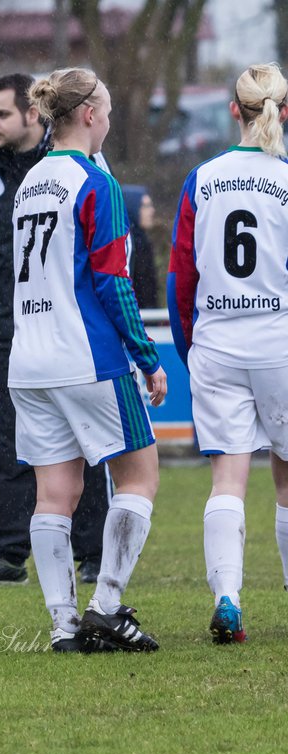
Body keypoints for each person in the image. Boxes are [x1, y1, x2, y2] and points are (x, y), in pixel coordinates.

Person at [10, 69, 166, 653]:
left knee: (54, 495)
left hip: (29, 361)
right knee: (140, 476)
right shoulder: (97, 185)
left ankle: (63, 626)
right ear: (91, 117)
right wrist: (146, 357)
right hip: (87, 358)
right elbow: (113, 282)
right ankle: (104, 605)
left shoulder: (30, 182)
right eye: (107, 110)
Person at [0, 73, 112, 587]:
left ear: (33, 115)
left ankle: (94, 553)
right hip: (8, 332)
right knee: (11, 444)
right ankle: (6, 553)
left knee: (87, 446)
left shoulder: (72, 165)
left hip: (67, 331)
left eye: (1, 114)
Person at [167, 62, 288, 645]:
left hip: (216, 341)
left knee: (227, 481)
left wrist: (189, 346)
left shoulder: (202, 178)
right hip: (278, 341)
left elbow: (180, 275)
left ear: (233, 111)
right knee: (286, 483)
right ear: (283, 112)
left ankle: (228, 599)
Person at [122, 185, 159, 309]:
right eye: (146, 206)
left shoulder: (143, 243)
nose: (152, 211)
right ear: (133, 208)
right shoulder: (129, 245)